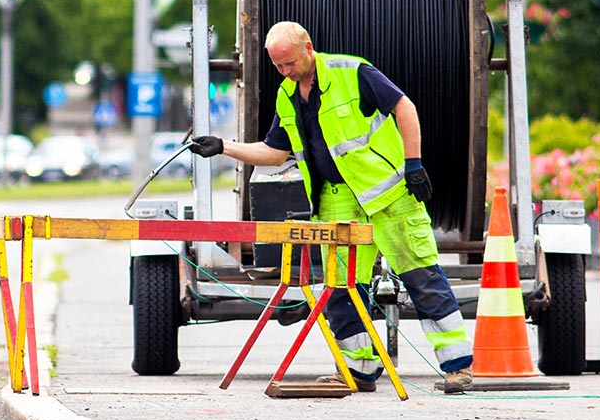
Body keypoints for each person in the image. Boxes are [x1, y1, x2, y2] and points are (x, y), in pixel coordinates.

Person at [190, 22, 473, 393]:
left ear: (308, 47)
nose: (285, 72)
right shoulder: (287, 95)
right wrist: (224, 147)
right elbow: (275, 153)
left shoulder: (353, 72)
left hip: (389, 198)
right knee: (340, 290)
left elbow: (404, 107)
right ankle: (359, 371)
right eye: (278, 67)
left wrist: (414, 162)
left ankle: (457, 368)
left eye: (289, 63)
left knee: (423, 278)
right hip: (336, 202)